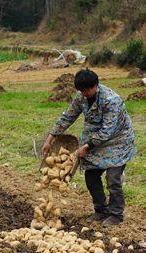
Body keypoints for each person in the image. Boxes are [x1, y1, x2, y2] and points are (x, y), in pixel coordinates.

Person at [42, 69, 136, 228]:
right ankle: (101, 210)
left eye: (87, 90)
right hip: (95, 141)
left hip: (118, 141)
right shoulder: (81, 97)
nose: (84, 93)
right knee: (91, 177)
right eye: (81, 90)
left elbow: (107, 130)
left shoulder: (111, 100)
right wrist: (50, 138)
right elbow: (68, 116)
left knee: (113, 179)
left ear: (96, 85)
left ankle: (116, 214)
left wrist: (86, 146)